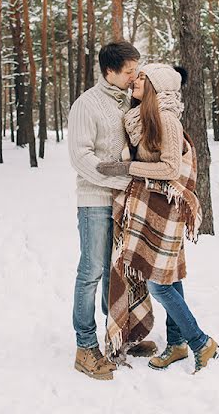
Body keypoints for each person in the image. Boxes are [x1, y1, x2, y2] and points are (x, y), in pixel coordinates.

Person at [98, 63, 219, 374]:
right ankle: (177, 344)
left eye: (141, 77)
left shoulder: (167, 118)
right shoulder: (140, 117)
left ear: (155, 85)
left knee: (158, 285)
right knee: (170, 277)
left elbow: (169, 169)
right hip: (150, 206)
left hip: (166, 208)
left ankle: (200, 342)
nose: (135, 81)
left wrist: (127, 169)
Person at [67, 41, 156, 381]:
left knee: (115, 271)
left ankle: (117, 335)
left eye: (137, 69)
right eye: (129, 71)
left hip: (123, 203)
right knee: (90, 272)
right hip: (95, 201)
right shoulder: (86, 105)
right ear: (110, 72)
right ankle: (85, 348)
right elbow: (81, 157)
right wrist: (123, 181)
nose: (136, 76)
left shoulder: (127, 100)